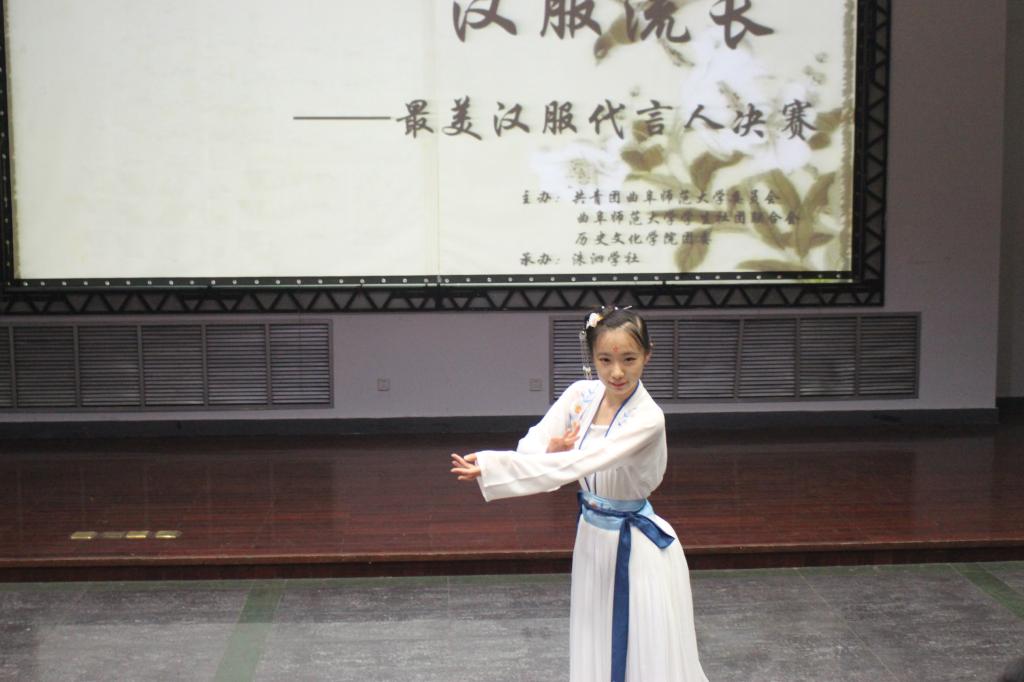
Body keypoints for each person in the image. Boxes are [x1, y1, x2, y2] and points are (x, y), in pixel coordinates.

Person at [451, 307, 708, 682]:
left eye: (629, 359)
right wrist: (549, 450)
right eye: (605, 360)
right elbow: (535, 445)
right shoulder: (580, 396)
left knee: (641, 645)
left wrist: (496, 466)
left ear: (647, 355)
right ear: (592, 358)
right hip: (592, 537)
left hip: (634, 545)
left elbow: (584, 462)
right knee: (594, 635)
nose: (616, 372)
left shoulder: (648, 418)